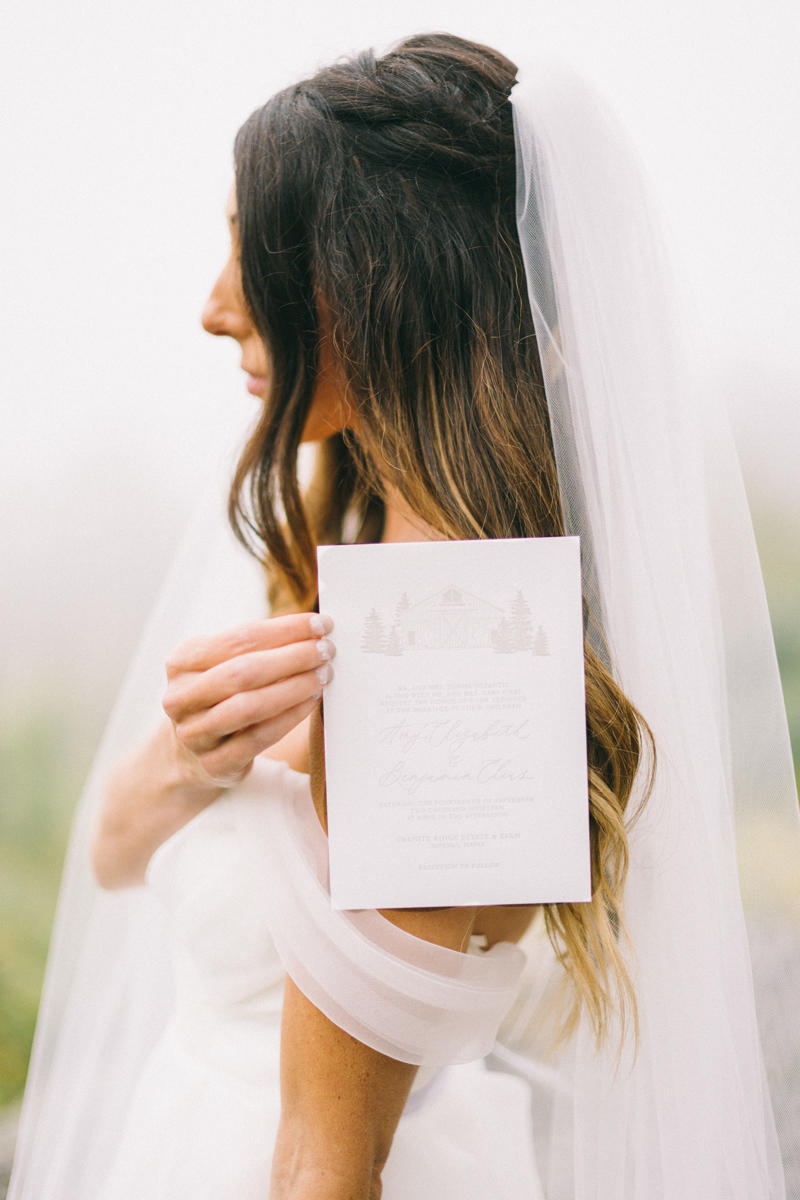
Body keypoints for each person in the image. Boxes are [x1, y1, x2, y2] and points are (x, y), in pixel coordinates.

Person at [9, 32, 800, 1200]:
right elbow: (114, 858)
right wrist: (186, 762)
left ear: (375, 281)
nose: (214, 308)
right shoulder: (340, 538)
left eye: (252, 250)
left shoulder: (450, 660)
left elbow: (327, 1159)